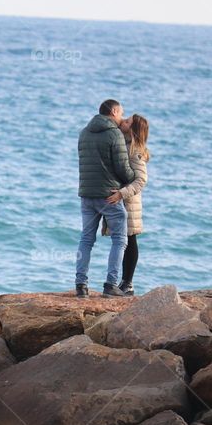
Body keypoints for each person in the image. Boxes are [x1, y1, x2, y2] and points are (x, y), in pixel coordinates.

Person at [75, 99, 137, 298]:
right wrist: (132, 178)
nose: (121, 118)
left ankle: (81, 284)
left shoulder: (84, 133)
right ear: (114, 111)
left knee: (86, 239)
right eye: (121, 113)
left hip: (86, 193)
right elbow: (121, 167)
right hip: (108, 195)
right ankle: (111, 284)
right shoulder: (114, 134)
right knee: (120, 239)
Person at [102, 114, 149, 296]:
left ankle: (127, 283)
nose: (124, 121)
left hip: (128, 202)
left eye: (128, 122)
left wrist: (121, 194)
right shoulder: (124, 144)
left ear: (133, 130)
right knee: (126, 240)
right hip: (123, 200)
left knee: (129, 239)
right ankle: (125, 283)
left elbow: (141, 180)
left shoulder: (135, 150)